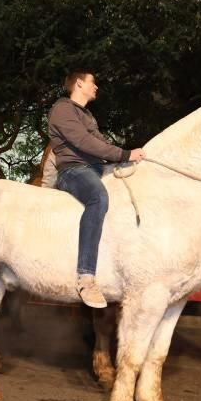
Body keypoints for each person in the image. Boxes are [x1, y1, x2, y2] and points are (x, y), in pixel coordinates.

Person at [48, 70, 145, 308]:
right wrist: (124, 154)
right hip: (74, 170)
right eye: (93, 82)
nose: (97, 87)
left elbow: (101, 144)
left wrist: (125, 160)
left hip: (95, 168)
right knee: (98, 197)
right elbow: (85, 142)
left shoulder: (88, 115)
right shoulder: (62, 109)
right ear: (79, 83)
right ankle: (86, 277)